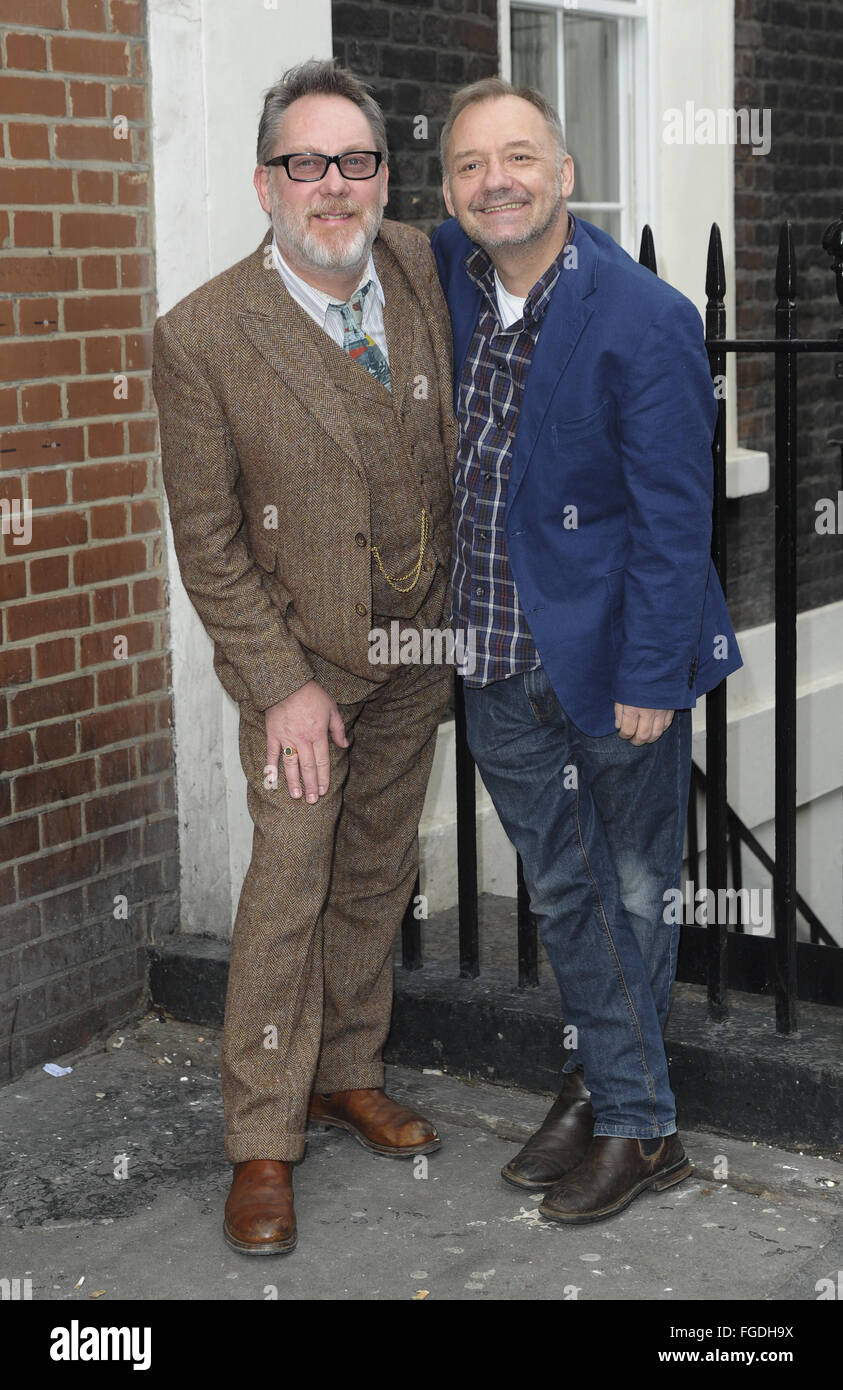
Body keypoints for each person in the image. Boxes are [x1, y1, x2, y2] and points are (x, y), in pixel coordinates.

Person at [153, 60, 457, 1255]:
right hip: (305, 670)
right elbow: (211, 543)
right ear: (265, 182)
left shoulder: (417, 265)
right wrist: (281, 686)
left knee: (379, 872)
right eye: (306, 163)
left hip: (419, 646)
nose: (334, 186)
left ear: (385, 175)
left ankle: (347, 1068)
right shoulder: (201, 337)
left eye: (357, 161)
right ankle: (262, 1139)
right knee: (290, 887)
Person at [432, 78, 742, 1224]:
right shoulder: (452, 286)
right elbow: (337, 217)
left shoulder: (643, 312)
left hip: (615, 667)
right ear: (449, 190)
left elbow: (676, 516)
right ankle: (608, 1081)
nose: (495, 179)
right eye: (469, 163)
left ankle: (638, 1126)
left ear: (565, 173)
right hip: (496, 658)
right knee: (566, 895)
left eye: (519, 156)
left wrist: (657, 672)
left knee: (632, 889)